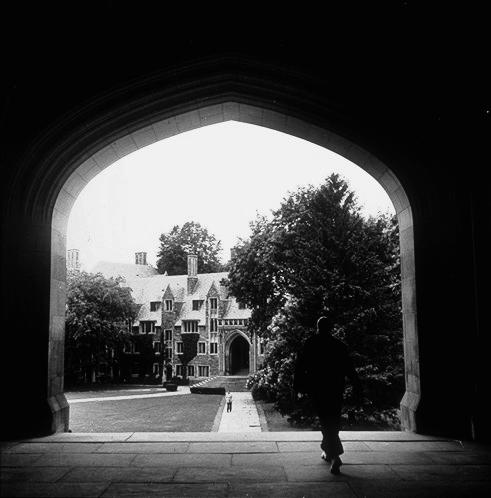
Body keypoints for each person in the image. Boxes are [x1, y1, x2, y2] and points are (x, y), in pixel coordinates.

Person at [293, 316, 362, 475]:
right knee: (332, 420)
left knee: (325, 421)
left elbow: (300, 367)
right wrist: (357, 386)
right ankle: (329, 451)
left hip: (318, 388)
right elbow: (349, 369)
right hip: (335, 388)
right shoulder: (339, 345)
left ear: (318, 327)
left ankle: (335, 455)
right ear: (331, 328)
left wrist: (296, 388)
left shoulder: (310, 343)